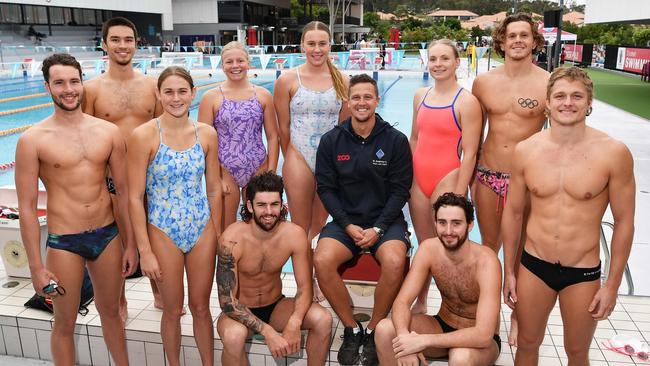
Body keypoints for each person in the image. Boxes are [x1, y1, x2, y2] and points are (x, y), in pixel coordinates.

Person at [502, 67, 635, 366]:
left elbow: (625, 222)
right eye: (560, 96)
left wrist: (612, 285)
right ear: (547, 102)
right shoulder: (526, 150)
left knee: (576, 352)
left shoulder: (614, 153)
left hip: (583, 272)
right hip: (534, 266)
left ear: (590, 103)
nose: (568, 103)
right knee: (526, 344)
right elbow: (513, 213)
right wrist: (509, 271)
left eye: (577, 96)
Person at [16, 53, 136, 366]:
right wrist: (35, 267)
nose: (68, 89)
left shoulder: (108, 132)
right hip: (64, 242)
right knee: (64, 325)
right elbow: (27, 210)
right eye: (59, 83)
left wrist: (131, 244)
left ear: (82, 83)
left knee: (111, 314)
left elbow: (122, 194)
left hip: (108, 236)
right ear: (47, 87)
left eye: (74, 81)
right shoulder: (32, 140)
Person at [314, 74, 412, 365]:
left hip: (387, 220)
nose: (361, 103)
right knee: (321, 260)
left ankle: (372, 330)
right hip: (346, 223)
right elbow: (326, 189)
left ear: (377, 100)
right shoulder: (332, 140)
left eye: (367, 97)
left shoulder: (395, 140)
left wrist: (379, 228)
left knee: (395, 260)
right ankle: (350, 327)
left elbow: (400, 190)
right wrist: (347, 225)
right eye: (355, 97)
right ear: (348, 101)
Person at [127, 66, 221, 366]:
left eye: (183, 91)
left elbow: (215, 189)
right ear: (158, 94)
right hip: (162, 229)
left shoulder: (206, 133)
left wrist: (217, 233)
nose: (176, 98)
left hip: (201, 228)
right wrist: (145, 251)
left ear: (194, 93)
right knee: (172, 309)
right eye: (169, 91)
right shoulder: (143, 136)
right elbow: (133, 197)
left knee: (201, 307)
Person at [471, 12, 549, 345]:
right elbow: (473, 134)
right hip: (487, 174)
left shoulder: (548, 83)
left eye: (524, 36)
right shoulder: (484, 83)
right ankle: (485, 319)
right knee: (489, 251)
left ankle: (517, 317)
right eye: (511, 35)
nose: (517, 41)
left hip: (525, 181)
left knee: (519, 254)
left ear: (534, 41)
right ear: (501, 41)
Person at [82, 16, 164, 318]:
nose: (122, 45)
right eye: (115, 40)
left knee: (154, 236)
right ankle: (120, 300)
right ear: (104, 45)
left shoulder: (152, 86)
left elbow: (161, 130)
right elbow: (84, 135)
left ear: (136, 44)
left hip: (149, 176)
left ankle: (159, 294)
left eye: (128, 40)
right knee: (115, 241)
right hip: (111, 179)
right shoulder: (90, 90)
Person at [216, 172, 332, 366]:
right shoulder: (232, 239)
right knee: (234, 337)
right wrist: (268, 332)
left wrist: (294, 322)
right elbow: (227, 301)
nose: (269, 212)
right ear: (250, 206)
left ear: (282, 205)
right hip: (239, 311)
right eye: (261, 205)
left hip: (276, 306)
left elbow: (304, 288)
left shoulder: (293, 235)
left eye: (274, 204)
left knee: (323, 319)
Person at [375, 193, 502, 366]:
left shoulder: (487, 261)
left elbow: (484, 335)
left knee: (460, 357)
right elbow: (402, 302)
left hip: (478, 340)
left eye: (456, 223)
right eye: (442, 223)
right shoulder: (429, 249)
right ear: (435, 223)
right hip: (442, 324)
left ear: (470, 225)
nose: (448, 231)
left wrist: (424, 341)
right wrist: (404, 340)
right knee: (385, 330)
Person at [408, 39, 482, 314]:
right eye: (433, 59)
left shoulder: (467, 101)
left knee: (449, 248)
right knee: (424, 245)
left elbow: (471, 153)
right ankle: (422, 299)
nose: (438, 64)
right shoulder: (420, 95)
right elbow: (414, 139)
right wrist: (407, 179)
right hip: (418, 180)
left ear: (457, 62)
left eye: (444, 59)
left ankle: (455, 304)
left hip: (448, 180)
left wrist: (460, 194)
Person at [274, 20, 349, 243]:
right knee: (299, 225)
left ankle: (311, 271)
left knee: (317, 223)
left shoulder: (343, 81)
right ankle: (305, 278)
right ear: (302, 45)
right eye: (312, 43)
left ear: (330, 45)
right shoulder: (287, 80)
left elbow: (343, 129)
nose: (317, 49)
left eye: (322, 44)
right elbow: (283, 127)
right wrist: (290, 157)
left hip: (330, 159)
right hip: (298, 156)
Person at [198, 41, 279, 229]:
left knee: (258, 227)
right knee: (227, 228)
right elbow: (203, 143)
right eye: (229, 62)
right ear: (222, 65)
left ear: (249, 63)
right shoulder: (211, 97)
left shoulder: (263, 95)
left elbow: (273, 137)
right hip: (225, 170)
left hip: (258, 166)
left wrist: (271, 172)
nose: (235, 66)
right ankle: (228, 260)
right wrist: (216, 175)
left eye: (240, 60)